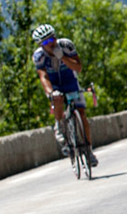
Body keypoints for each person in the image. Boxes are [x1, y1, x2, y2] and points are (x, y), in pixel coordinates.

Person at [31, 24, 98, 167]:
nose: (51, 44)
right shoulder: (39, 56)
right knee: (57, 98)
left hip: (70, 81)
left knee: (82, 114)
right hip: (54, 83)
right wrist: (50, 93)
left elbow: (78, 68)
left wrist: (63, 57)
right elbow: (43, 77)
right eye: (46, 42)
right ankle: (59, 124)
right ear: (41, 45)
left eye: (52, 39)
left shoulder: (66, 45)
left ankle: (88, 150)